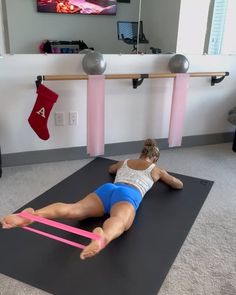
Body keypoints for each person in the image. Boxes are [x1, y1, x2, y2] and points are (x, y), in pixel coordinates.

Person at [0, 139, 183, 260]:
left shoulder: (125, 162)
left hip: (108, 190)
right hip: (129, 195)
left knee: (74, 209)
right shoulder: (155, 169)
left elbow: (111, 169)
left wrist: (123, 168)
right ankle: (103, 237)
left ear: (141, 153)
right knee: (119, 221)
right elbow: (177, 184)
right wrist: (161, 175)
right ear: (155, 158)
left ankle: (32, 214)